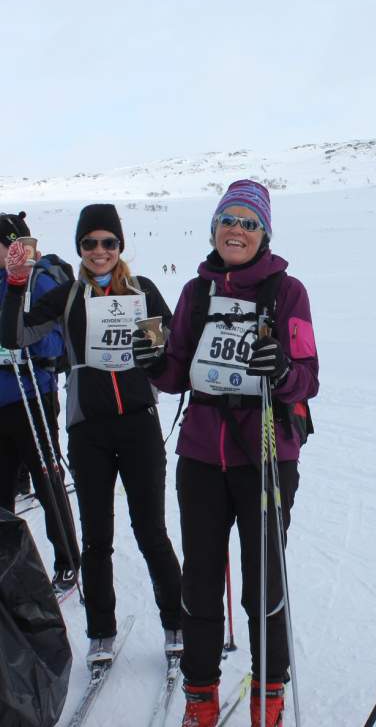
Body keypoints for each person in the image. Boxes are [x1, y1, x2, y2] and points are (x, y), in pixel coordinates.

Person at [133, 180, 318, 727]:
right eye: (228, 220)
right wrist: (151, 360)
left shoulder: (289, 292)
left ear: (264, 234)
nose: (237, 229)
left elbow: (308, 377)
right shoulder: (194, 292)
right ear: (214, 228)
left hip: (265, 451)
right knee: (201, 580)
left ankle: (270, 694)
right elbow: (176, 375)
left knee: (265, 581)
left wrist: (281, 371)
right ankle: (200, 696)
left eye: (249, 222)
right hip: (201, 457)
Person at [1, 203, 182, 665]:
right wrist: (17, 284)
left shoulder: (143, 291)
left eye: (108, 242)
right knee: (97, 537)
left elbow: (165, 366)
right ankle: (101, 630)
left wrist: (152, 351)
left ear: (120, 246)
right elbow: (15, 336)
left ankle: (176, 621)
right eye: (89, 243)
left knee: (151, 532)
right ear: (80, 248)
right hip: (89, 430)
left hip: (139, 423)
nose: (99, 251)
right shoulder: (66, 296)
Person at [0, 210, 80, 590]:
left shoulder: (39, 282)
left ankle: (67, 560)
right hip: (1, 399)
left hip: (32, 394)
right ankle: (7, 566)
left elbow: (54, 339)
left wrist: (17, 350)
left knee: (47, 479)